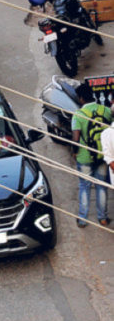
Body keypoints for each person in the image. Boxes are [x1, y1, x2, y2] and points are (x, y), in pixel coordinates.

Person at [71, 84, 111, 228]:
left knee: (84, 186)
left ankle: (83, 219)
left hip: (84, 157)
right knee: (102, 186)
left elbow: (76, 138)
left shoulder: (78, 115)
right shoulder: (106, 110)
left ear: (81, 98)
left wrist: (74, 153)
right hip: (102, 156)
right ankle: (103, 218)